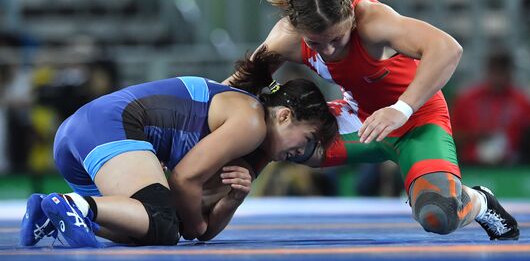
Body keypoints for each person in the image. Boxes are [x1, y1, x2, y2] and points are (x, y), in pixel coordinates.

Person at [225, 0, 519, 240]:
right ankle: (208, 198)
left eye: (336, 39)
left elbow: (448, 49)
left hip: (416, 119)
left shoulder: (374, 21)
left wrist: (401, 109)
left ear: (350, 16)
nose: (328, 51)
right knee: (271, 132)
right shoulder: (286, 38)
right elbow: (237, 86)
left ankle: (481, 202)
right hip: (361, 119)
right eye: (315, 44)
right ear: (298, 29)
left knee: (438, 215)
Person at [20, 46, 338, 248]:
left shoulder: (257, 149)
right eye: (307, 140)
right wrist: (192, 223)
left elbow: (202, 230)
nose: (301, 153)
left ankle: (51, 215)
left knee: (148, 231)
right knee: (163, 222)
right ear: (284, 116)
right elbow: (185, 184)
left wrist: (234, 200)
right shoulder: (251, 121)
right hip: (107, 126)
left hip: (84, 139)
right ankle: (75, 206)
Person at [451, 50, 530, 165]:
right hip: (472, 165)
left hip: (513, 167)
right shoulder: (467, 99)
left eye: (502, 72)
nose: (498, 77)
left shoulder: (523, 102)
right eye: (495, 72)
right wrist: (475, 136)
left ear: (510, 73)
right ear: (488, 71)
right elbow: (450, 136)